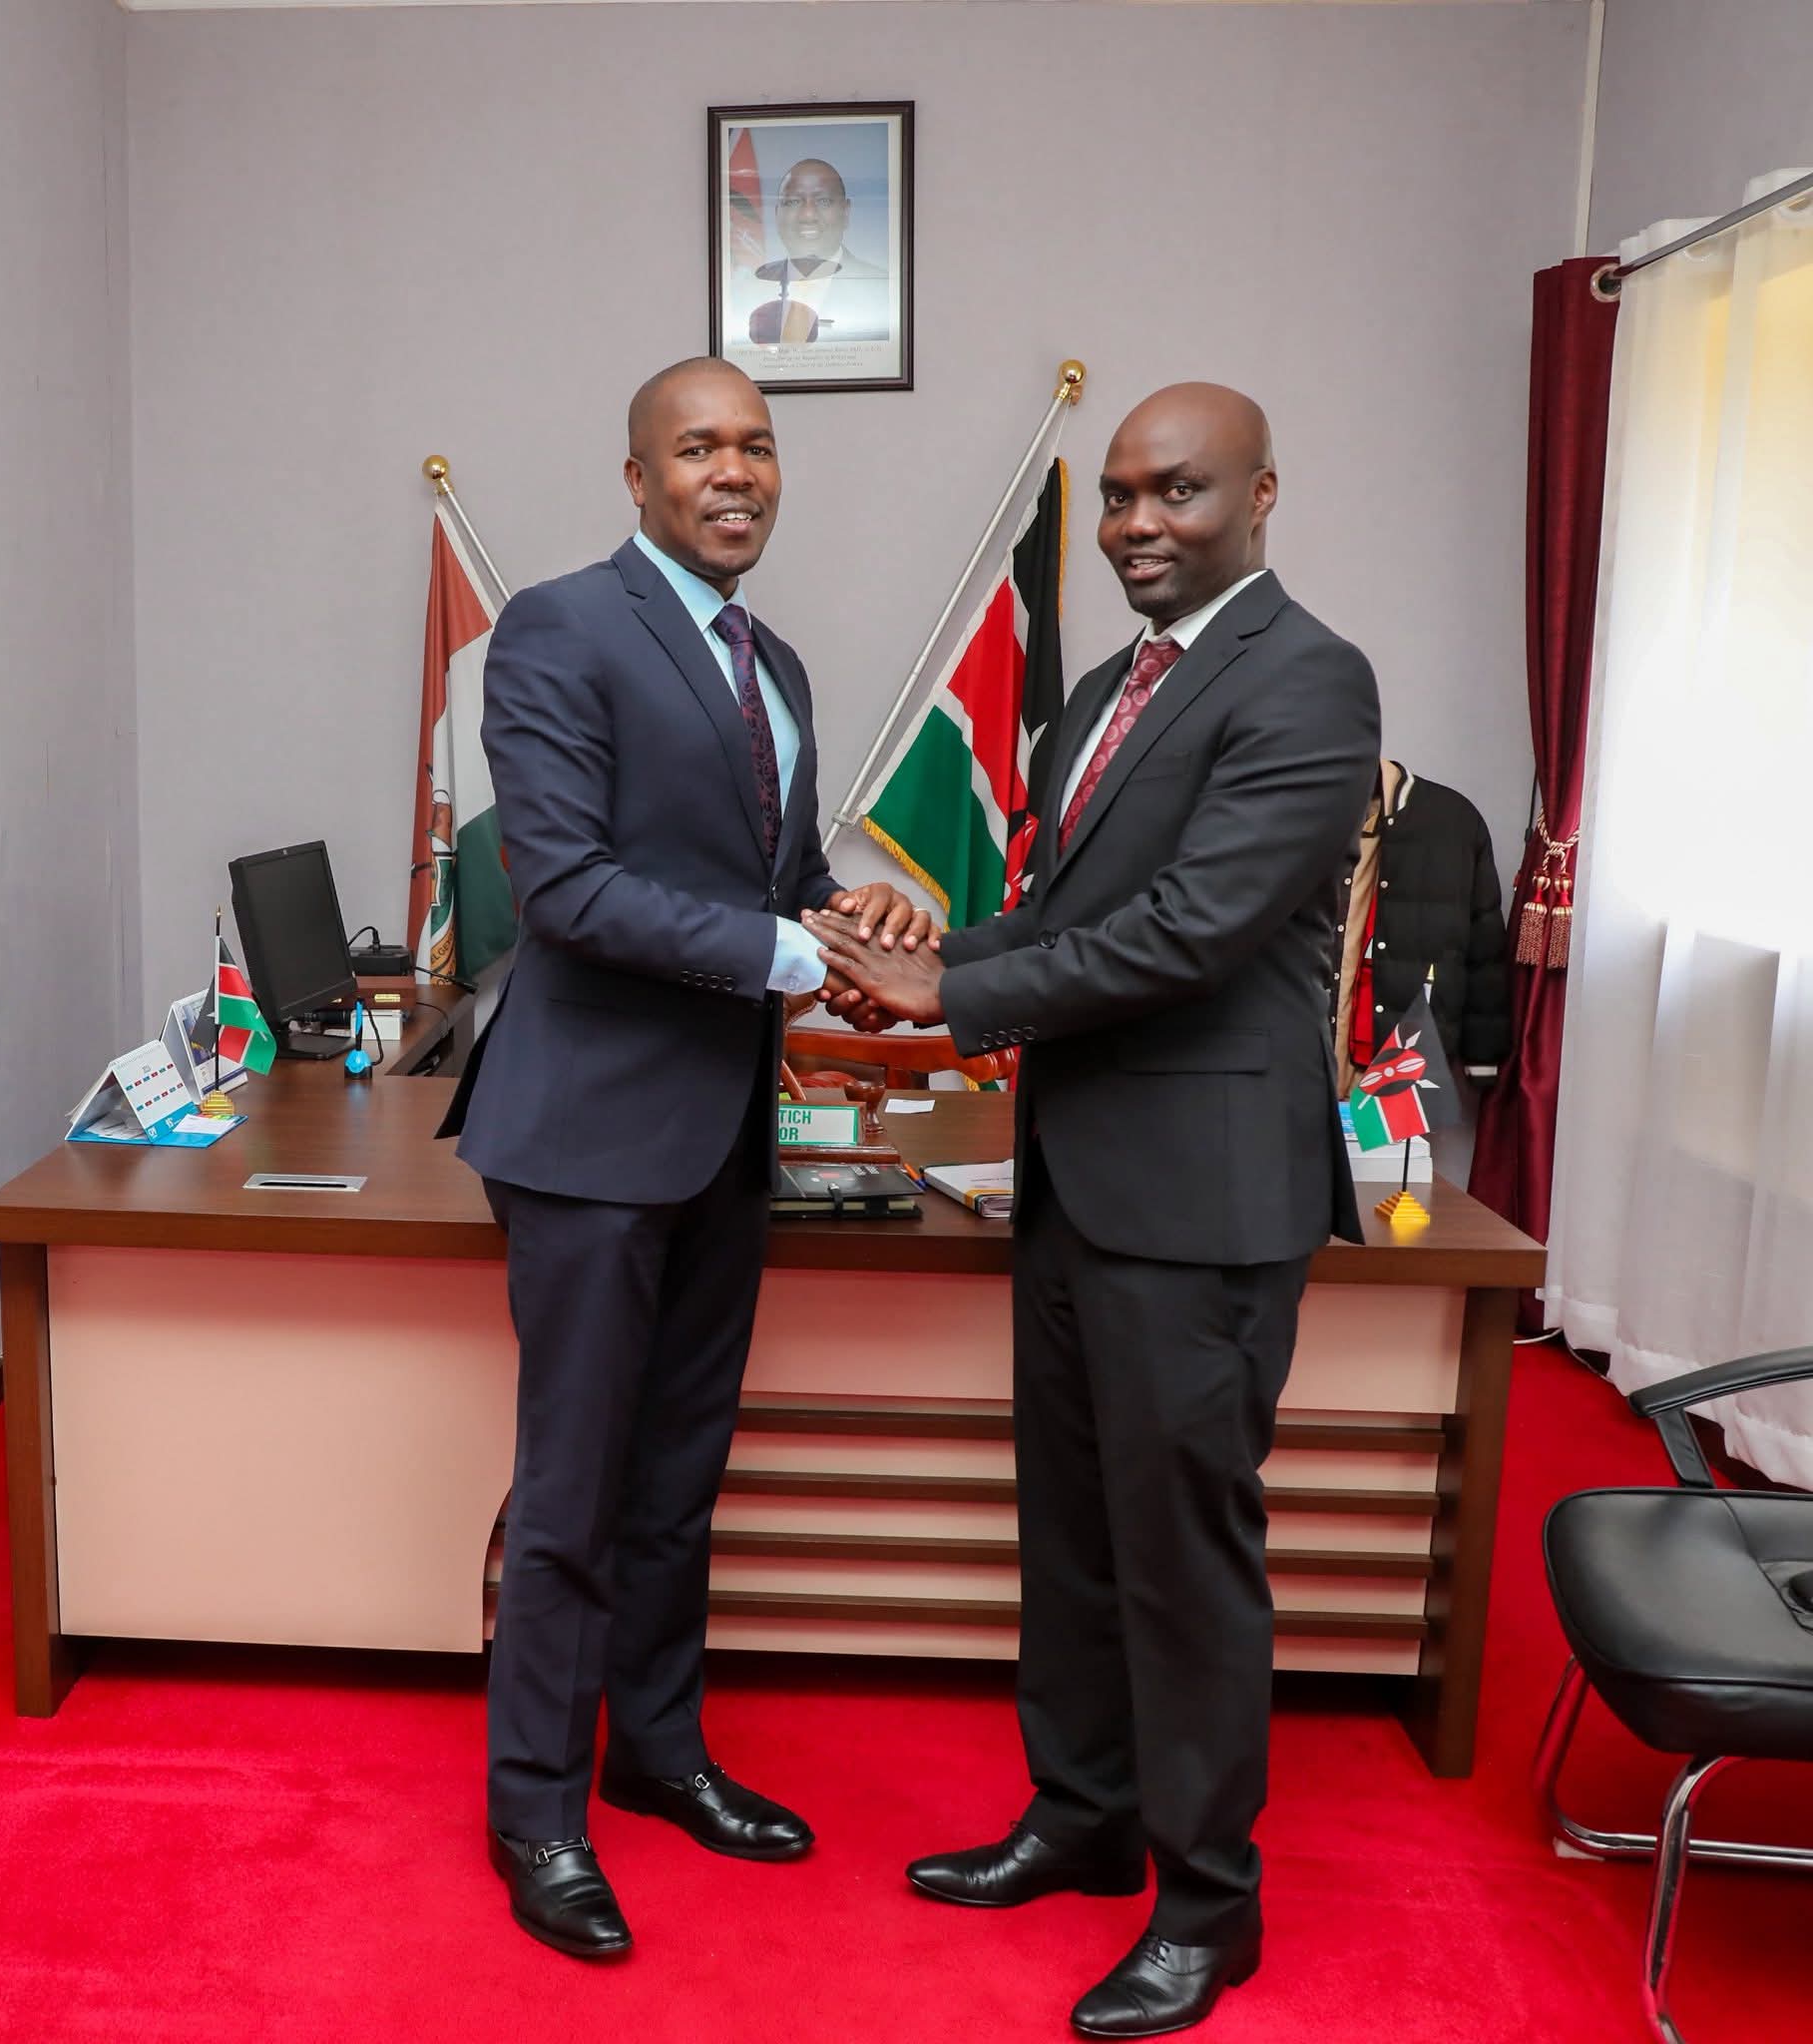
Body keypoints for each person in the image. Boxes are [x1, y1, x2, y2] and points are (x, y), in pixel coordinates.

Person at [809, 383, 1381, 2038]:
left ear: (1260, 493)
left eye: (1176, 491)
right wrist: (925, 936)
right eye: (1121, 492)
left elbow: (1187, 934)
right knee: (1069, 1533)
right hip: (1070, 1178)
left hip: (1199, 1203)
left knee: (1182, 1560)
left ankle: (1208, 1905)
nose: (1136, 520)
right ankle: (1080, 1817)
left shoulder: (1304, 679)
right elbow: (1063, 909)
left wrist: (946, 997)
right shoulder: (1095, 694)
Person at [438, 355, 928, 1960]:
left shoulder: (770, 659)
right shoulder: (563, 629)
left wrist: (852, 911)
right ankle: (537, 1815)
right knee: (575, 1494)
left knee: (678, 1478)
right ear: (638, 476)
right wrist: (794, 953)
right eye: (700, 447)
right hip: (586, 1134)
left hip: (721, 1127)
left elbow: (766, 874)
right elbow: (566, 888)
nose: (737, 471)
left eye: (759, 446)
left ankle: (653, 1756)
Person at [737, 158, 890, 347]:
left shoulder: (882, 289)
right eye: (793, 202)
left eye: (823, 201)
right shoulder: (743, 293)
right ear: (777, 215)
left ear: (846, 212)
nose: (807, 215)